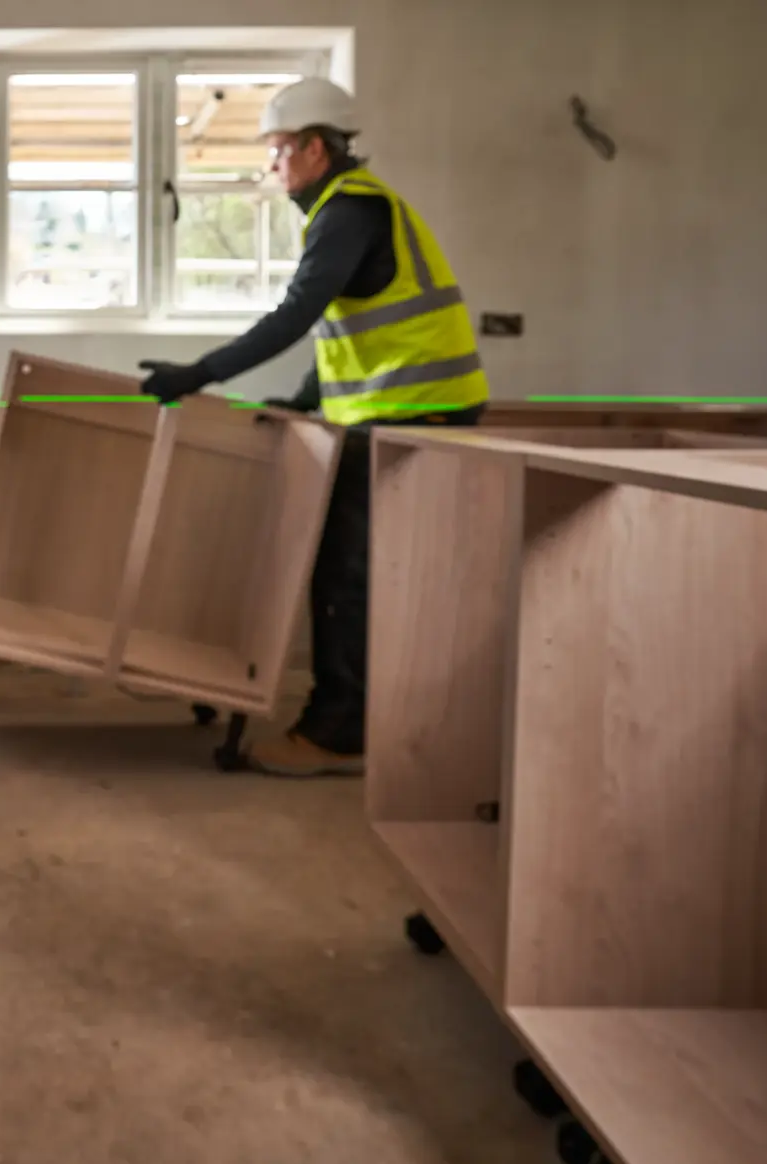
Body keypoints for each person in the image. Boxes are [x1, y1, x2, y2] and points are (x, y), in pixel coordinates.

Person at [137, 77, 490, 777]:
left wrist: (197, 373)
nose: (274, 167)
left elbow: (295, 315)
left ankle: (335, 732)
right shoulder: (352, 207)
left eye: (279, 151)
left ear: (316, 149)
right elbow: (347, 327)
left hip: (413, 409)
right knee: (353, 568)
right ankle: (351, 717)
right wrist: (305, 397)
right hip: (407, 405)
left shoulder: (349, 210)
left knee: (343, 573)